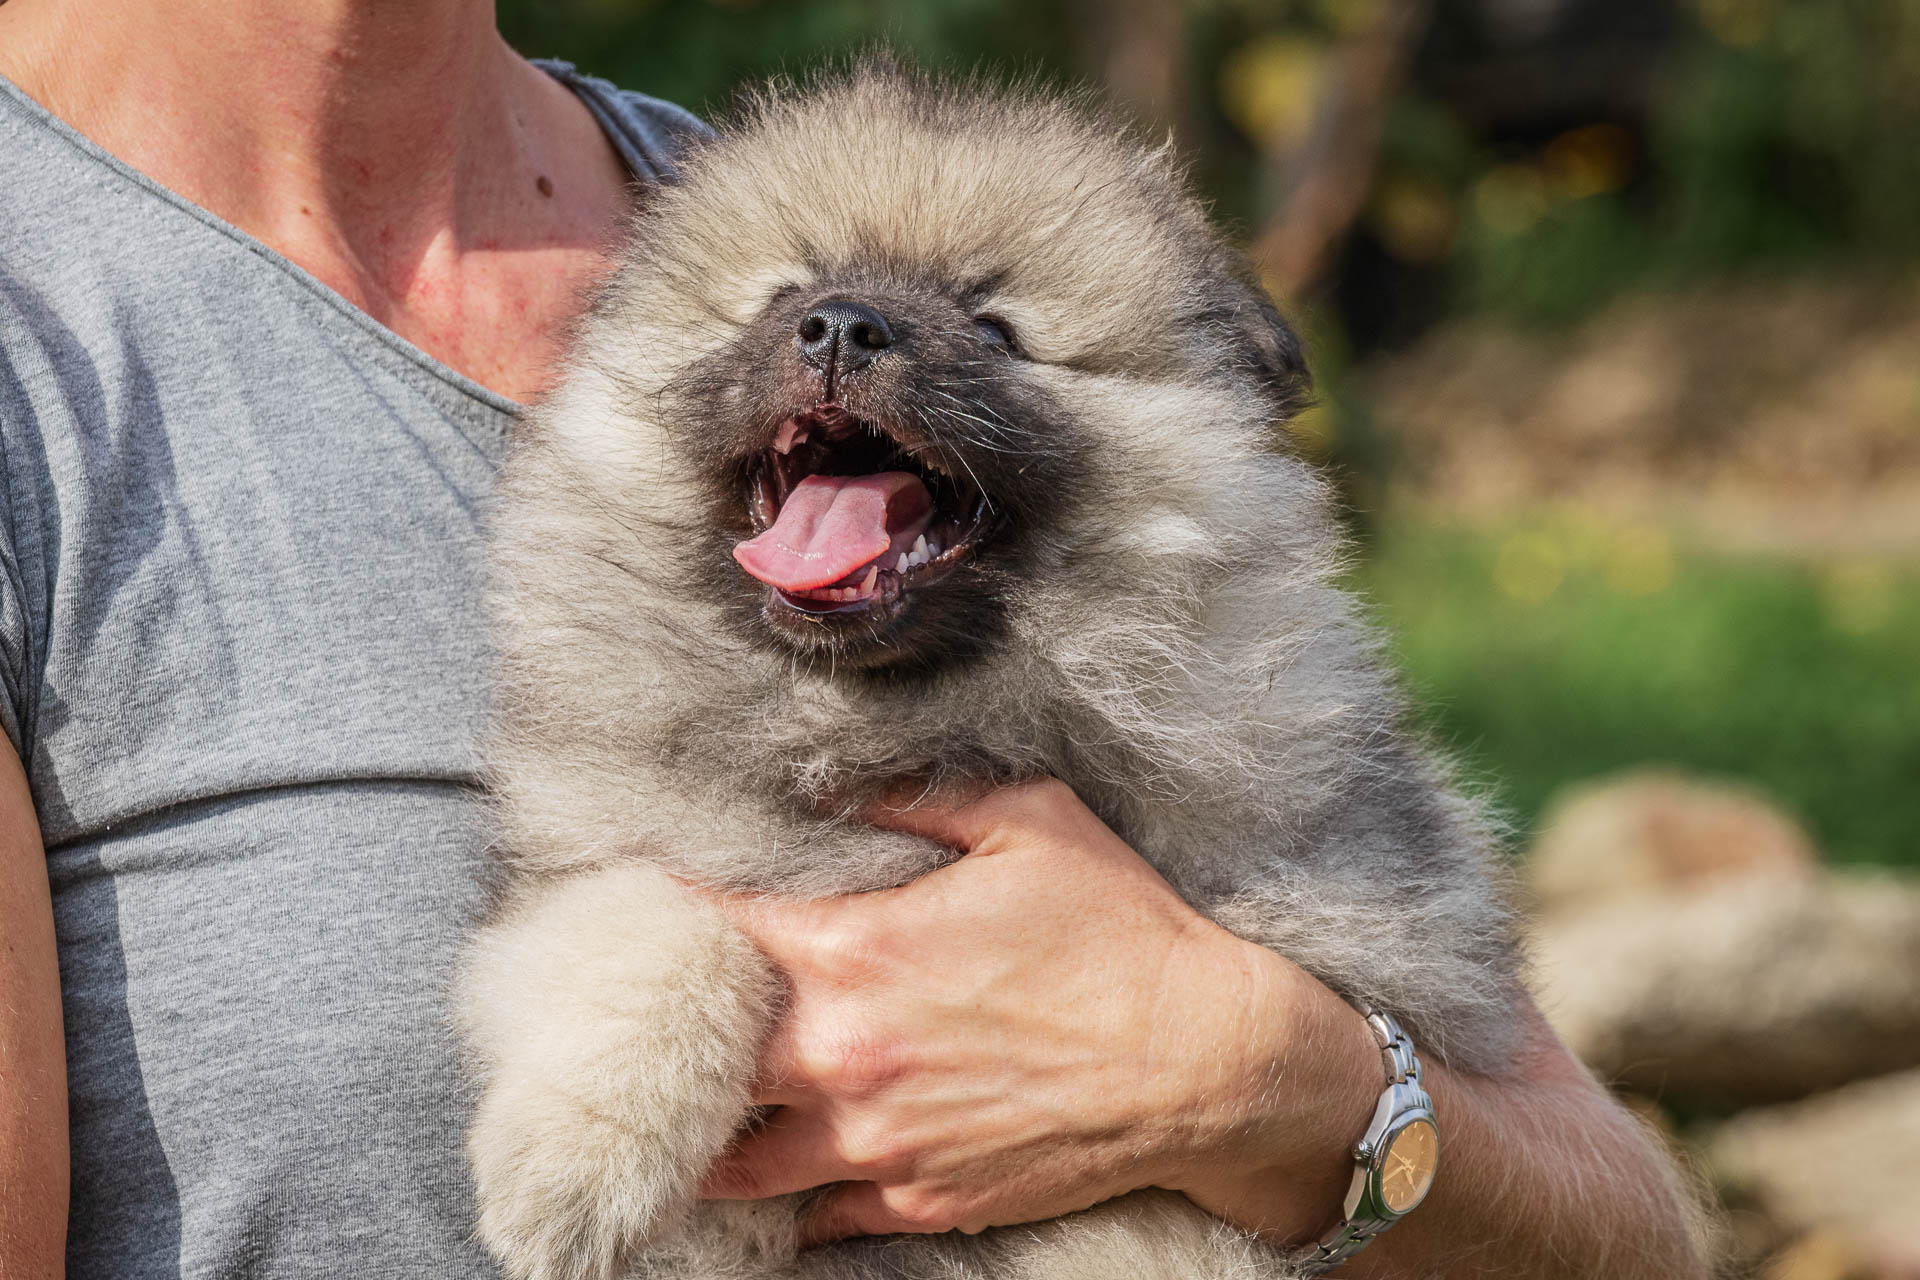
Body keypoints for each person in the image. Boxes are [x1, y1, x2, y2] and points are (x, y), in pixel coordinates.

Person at [0, 1, 1709, 1277]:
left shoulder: (713, 186)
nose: (835, 331)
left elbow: (1623, 1231)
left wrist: (1280, 1081)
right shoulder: (45, 332)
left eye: (1001, 329)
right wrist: (665, 986)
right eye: (784, 304)